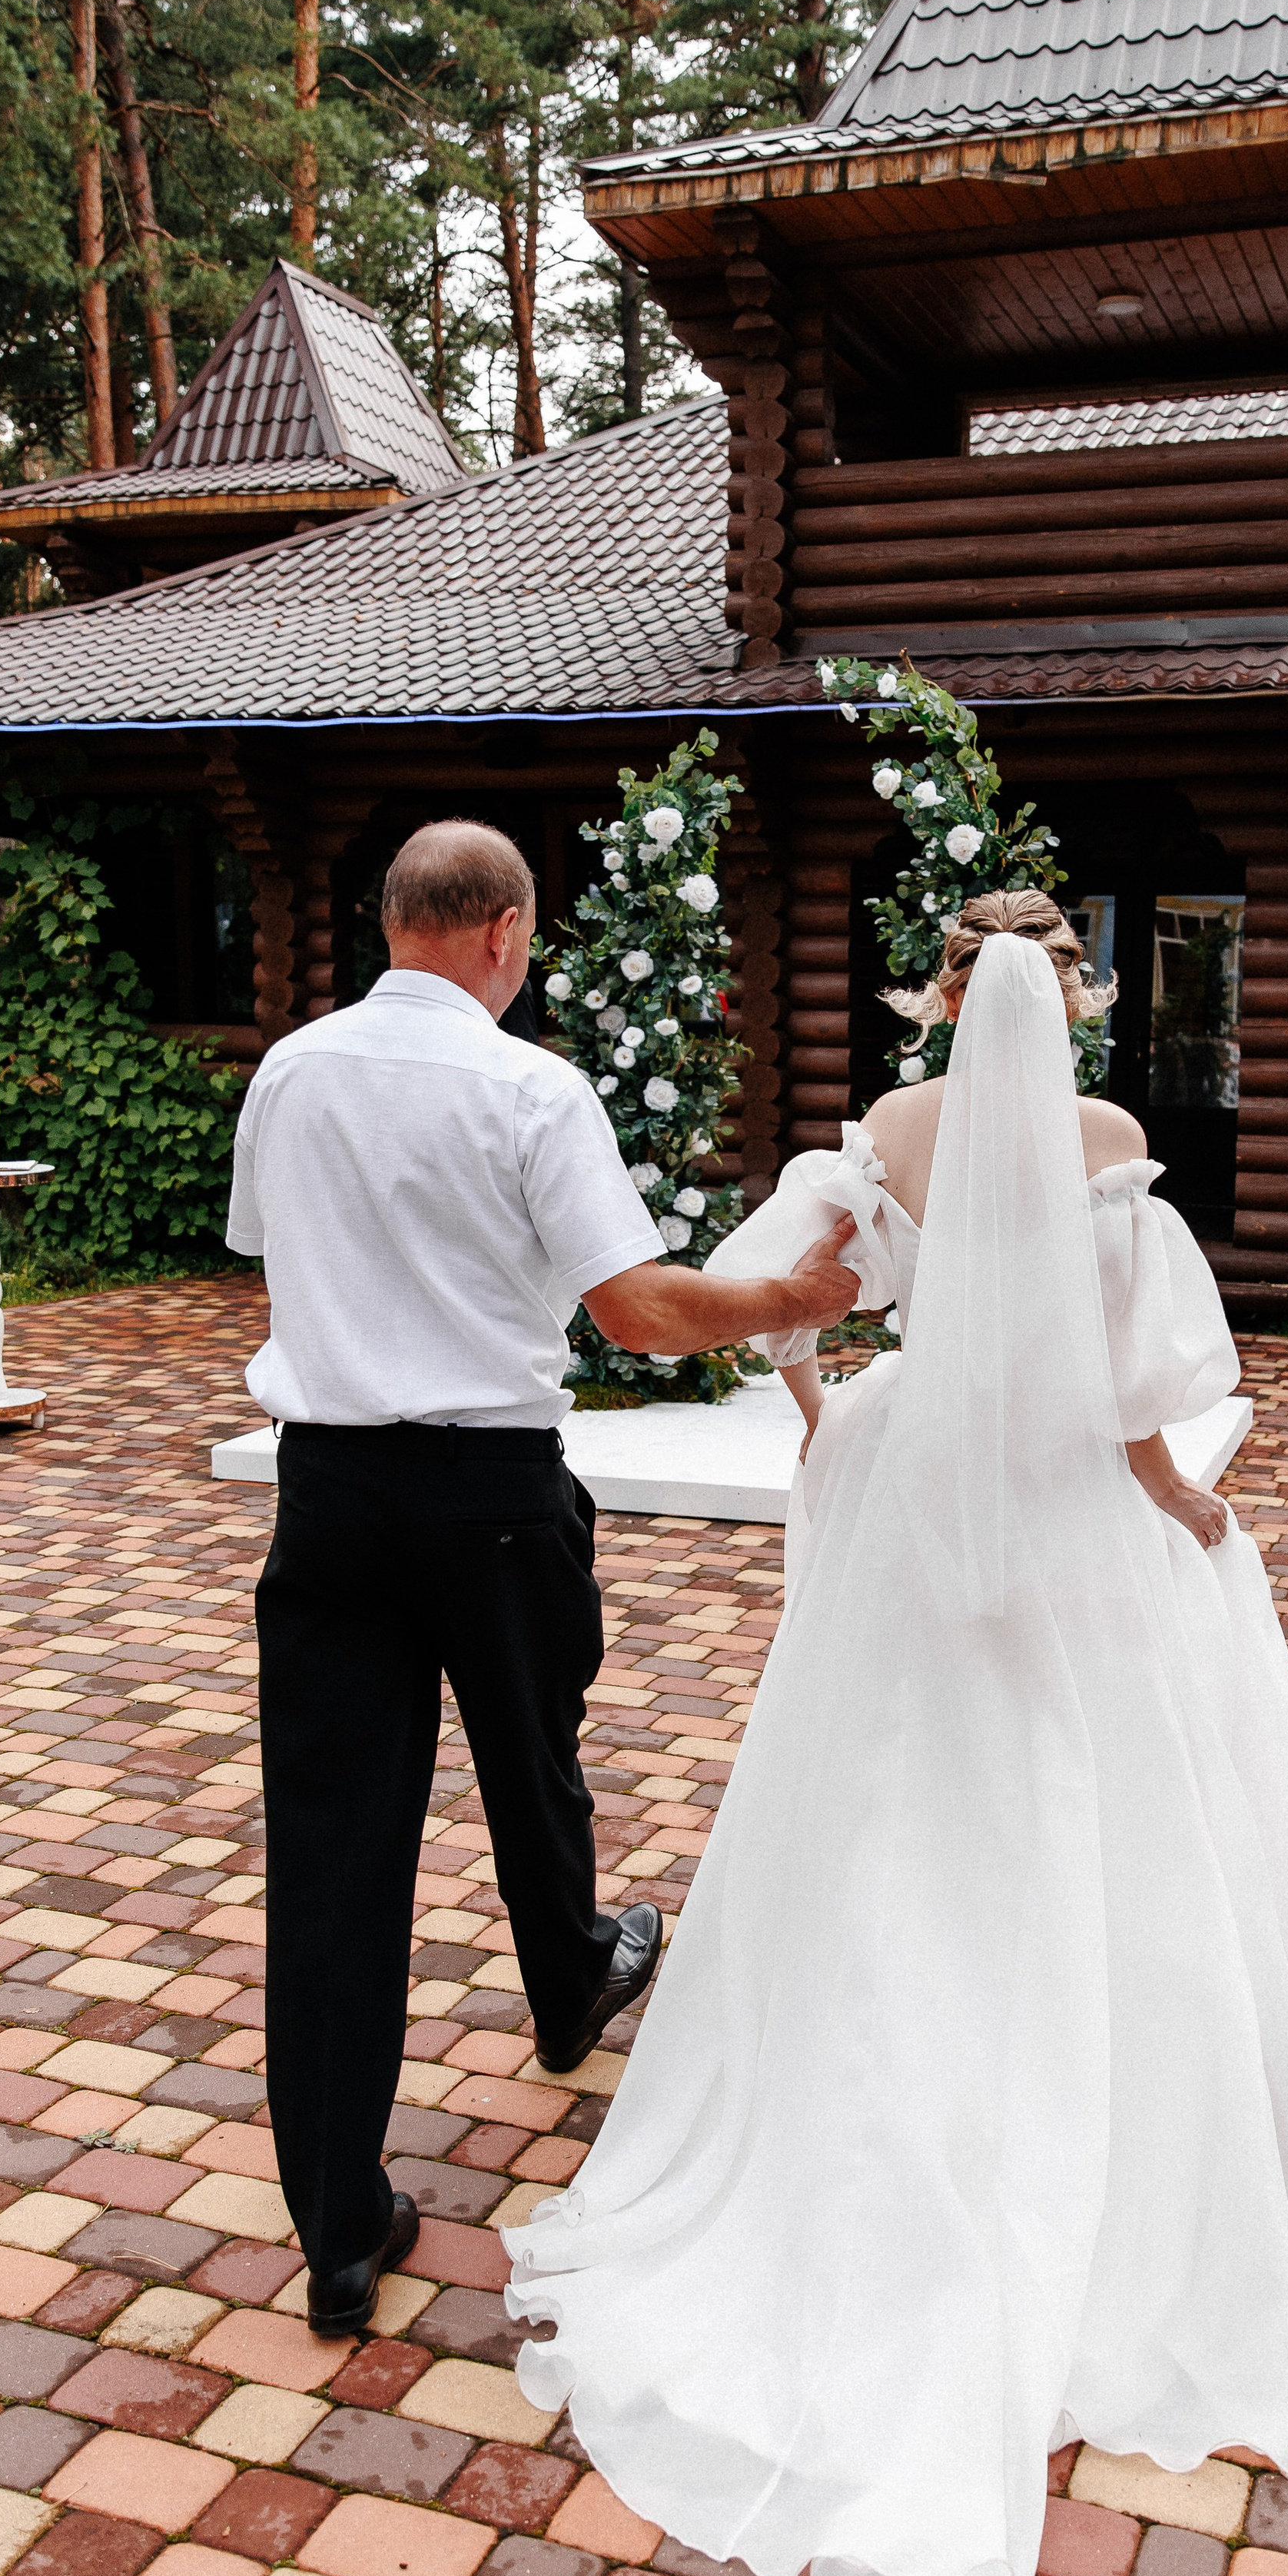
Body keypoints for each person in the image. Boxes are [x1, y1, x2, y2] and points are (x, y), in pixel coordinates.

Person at [503, 894, 1288, 2576]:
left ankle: (879, 2056)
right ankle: (1089, 2095)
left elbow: (790, 1303)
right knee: (1077, 1789)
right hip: (1060, 1488)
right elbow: (1138, 1380)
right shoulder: (1108, 1142)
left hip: (914, 1472)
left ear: (938, 992)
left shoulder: (879, 1135)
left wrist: (820, 1412)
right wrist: (1169, 1496)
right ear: (1064, 994)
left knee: (884, 1789)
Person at [226, 819, 858, 2337]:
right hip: (490, 1490)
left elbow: (275, 1251)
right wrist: (793, 1294)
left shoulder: (290, 1071)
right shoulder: (529, 1084)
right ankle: (570, 1978)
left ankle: (335, 2222)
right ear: (504, 934)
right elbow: (637, 1313)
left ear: (396, 923)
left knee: (330, 1853)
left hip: (326, 1486)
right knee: (531, 1761)